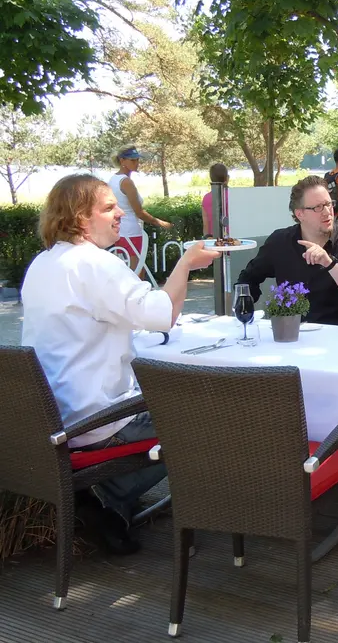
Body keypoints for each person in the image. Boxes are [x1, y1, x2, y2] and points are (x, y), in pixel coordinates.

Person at [21, 174, 219, 554]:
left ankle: (108, 501)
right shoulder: (95, 264)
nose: (119, 215)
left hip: (55, 418)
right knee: (204, 417)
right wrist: (186, 264)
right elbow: (162, 315)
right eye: (108, 208)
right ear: (81, 217)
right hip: (97, 420)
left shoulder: (43, 264)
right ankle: (112, 499)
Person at [236, 175, 338, 326]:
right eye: (318, 207)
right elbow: (249, 278)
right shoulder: (280, 242)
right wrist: (244, 307)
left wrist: (329, 263)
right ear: (299, 214)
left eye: (329, 204)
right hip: (291, 334)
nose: (327, 212)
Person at [108, 145, 172, 273]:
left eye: (137, 160)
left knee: (125, 270)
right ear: (122, 161)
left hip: (120, 231)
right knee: (137, 271)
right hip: (131, 231)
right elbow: (139, 212)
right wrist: (161, 223)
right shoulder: (126, 182)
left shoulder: (112, 179)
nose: (137, 163)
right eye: (133, 160)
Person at [201, 163, 230, 236]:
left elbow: (205, 225)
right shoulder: (233, 196)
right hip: (233, 240)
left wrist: (206, 239)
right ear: (227, 178)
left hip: (214, 240)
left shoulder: (206, 198)